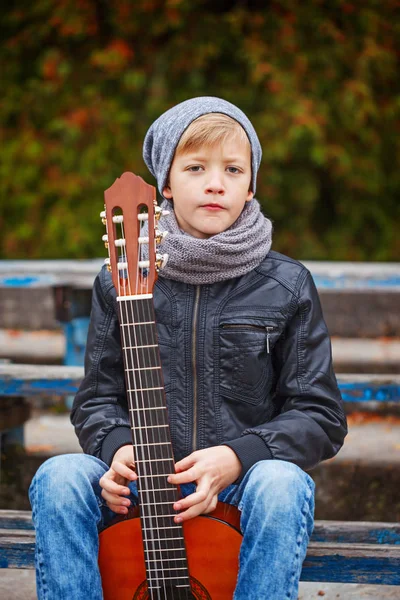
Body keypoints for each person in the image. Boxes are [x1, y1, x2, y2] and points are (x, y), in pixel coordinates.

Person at [29, 96, 347, 599]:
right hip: (140, 485)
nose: (215, 182)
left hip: (239, 487)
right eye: (196, 167)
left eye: (233, 169)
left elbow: (319, 414)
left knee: (283, 486)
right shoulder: (121, 281)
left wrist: (238, 457)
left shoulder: (286, 285)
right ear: (167, 184)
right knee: (61, 475)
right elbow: (96, 399)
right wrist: (115, 451)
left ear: (250, 187)